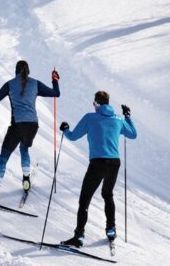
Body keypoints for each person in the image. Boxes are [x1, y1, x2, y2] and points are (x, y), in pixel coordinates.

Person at [58, 91, 137, 247]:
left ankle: (79, 236)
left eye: (94, 104)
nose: (93, 106)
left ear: (98, 104)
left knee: (84, 200)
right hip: (114, 163)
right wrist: (127, 115)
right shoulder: (118, 120)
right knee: (108, 194)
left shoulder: (90, 117)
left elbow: (73, 136)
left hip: (98, 163)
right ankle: (111, 229)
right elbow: (133, 134)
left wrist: (65, 129)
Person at [0, 60, 60, 199]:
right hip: (33, 125)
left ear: (16, 71)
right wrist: (55, 79)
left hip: (17, 125)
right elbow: (56, 93)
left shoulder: (10, 84)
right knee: (24, 149)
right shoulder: (35, 83)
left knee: (4, 157)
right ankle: (26, 178)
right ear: (28, 71)